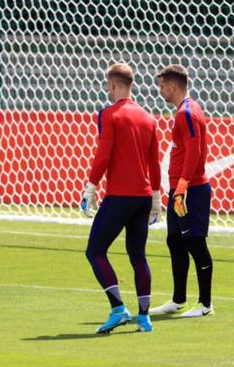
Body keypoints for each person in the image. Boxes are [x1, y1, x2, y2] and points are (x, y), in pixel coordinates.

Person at [81, 63, 161, 333]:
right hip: (142, 197)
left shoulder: (109, 114)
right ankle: (144, 317)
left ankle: (118, 308)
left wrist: (91, 187)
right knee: (138, 255)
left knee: (94, 251)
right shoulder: (149, 118)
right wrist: (157, 197)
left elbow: (103, 154)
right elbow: (154, 163)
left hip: (120, 196)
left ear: (112, 85)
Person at [149, 64, 214, 317]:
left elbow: (195, 151)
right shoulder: (185, 111)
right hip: (180, 188)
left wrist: (184, 184)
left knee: (195, 243)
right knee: (175, 240)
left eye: (162, 85)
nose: (161, 90)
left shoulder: (186, 113)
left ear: (173, 86)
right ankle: (178, 300)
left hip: (191, 190)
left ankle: (206, 304)